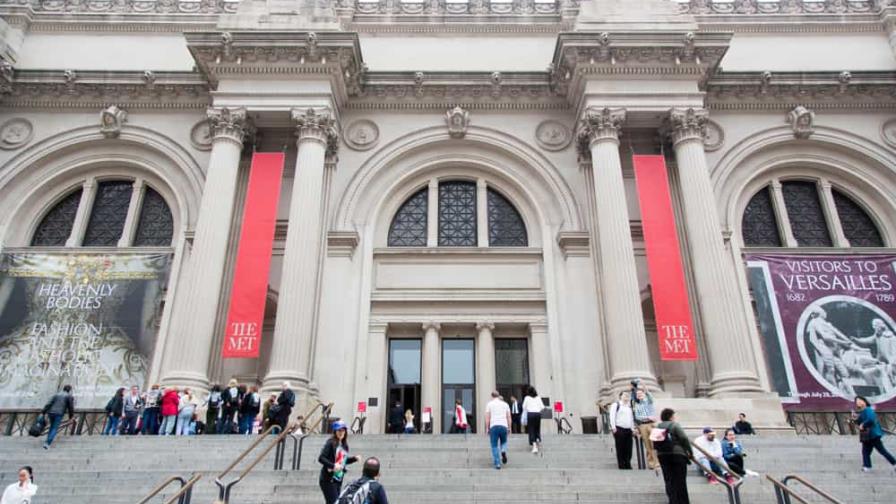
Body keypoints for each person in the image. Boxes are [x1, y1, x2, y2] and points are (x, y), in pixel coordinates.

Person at [318, 420, 360, 504]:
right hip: (328, 480)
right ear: (335, 432)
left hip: (338, 479)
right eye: (339, 430)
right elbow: (321, 458)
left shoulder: (345, 445)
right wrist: (333, 466)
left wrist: (354, 459)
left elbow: (343, 461)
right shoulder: (330, 443)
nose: (341, 433)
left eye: (343, 430)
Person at [656, 408, 692, 504]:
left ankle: (673, 500)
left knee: (669, 479)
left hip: (662, 455)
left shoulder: (658, 427)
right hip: (677, 454)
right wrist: (689, 451)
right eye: (674, 415)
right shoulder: (674, 425)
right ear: (671, 416)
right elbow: (684, 438)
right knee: (680, 480)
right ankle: (683, 501)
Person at [854, 395, 896, 472]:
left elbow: (871, 419)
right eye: (857, 402)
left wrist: (863, 424)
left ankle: (894, 463)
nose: (858, 402)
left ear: (864, 401)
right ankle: (867, 466)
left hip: (873, 434)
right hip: (867, 436)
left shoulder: (868, 410)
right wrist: (855, 419)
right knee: (865, 451)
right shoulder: (863, 412)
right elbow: (858, 422)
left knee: (881, 450)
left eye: (860, 400)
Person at [632, 386, 659, 470]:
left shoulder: (648, 401)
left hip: (651, 424)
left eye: (640, 393)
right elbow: (637, 417)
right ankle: (651, 463)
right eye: (637, 394)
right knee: (647, 445)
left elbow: (649, 394)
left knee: (654, 444)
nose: (639, 395)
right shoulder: (636, 405)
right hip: (642, 425)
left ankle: (657, 463)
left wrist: (644, 387)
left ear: (644, 394)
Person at [41, 384, 74, 449]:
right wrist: (71, 416)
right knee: (54, 428)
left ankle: (47, 440)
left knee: (51, 426)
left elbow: (49, 403)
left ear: (63, 389)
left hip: (51, 412)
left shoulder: (56, 394)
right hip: (59, 413)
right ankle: (47, 443)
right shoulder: (69, 396)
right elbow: (70, 407)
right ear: (69, 390)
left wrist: (43, 411)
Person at [484, 390, 511, 470]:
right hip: (503, 426)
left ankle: (498, 463)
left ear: (492, 396)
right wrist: (509, 427)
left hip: (494, 426)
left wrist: (487, 428)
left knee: (494, 445)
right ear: (498, 395)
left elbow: (487, 417)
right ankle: (503, 450)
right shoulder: (505, 404)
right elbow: (509, 417)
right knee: (504, 441)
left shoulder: (489, 404)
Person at [609, 391, 634, 469]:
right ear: (620, 396)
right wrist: (613, 428)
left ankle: (628, 463)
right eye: (625, 395)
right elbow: (612, 416)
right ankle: (622, 464)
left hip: (628, 430)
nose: (627, 396)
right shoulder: (616, 405)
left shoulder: (629, 407)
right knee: (620, 448)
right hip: (619, 429)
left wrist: (632, 429)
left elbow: (631, 419)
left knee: (629, 448)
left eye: (628, 395)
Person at [522, 386, 543, 454]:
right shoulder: (538, 398)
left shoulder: (527, 398)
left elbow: (524, 407)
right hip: (538, 414)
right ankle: (537, 439)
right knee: (537, 428)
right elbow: (542, 407)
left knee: (531, 429)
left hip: (530, 414)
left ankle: (534, 445)